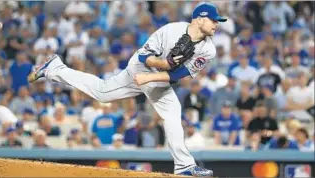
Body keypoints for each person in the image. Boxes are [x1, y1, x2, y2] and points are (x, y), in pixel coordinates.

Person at [27, 2, 227, 177]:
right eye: (214, 20)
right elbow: (143, 58)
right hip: (141, 66)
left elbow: (176, 75)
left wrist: (153, 75)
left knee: (104, 92)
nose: (217, 24)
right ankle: (184, 165)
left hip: (154, 76)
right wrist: (161, 63)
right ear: (200, 19)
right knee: (170, 109)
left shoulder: (209, 50)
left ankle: (55, 68)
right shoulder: (170, 31)